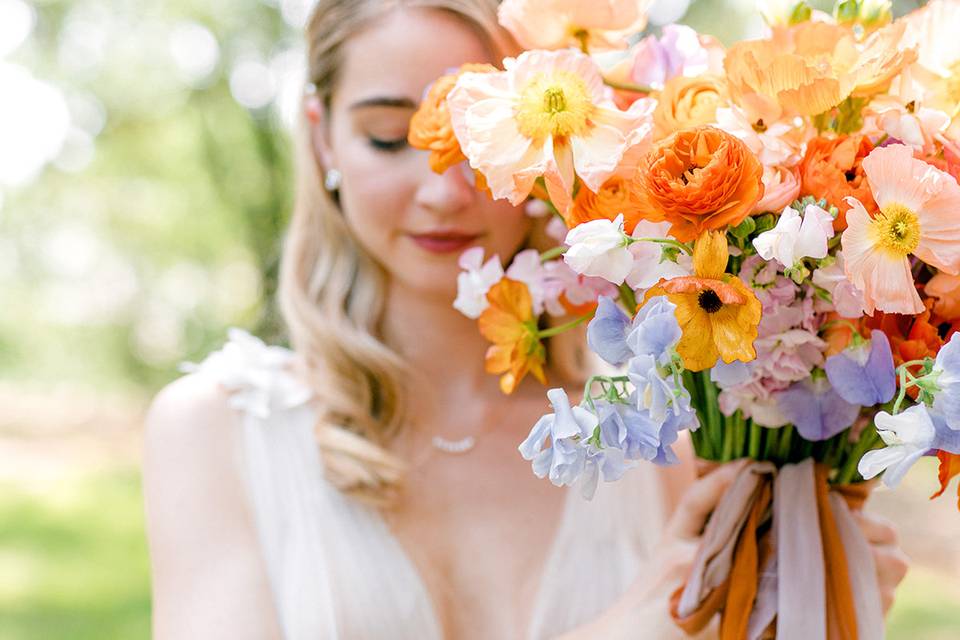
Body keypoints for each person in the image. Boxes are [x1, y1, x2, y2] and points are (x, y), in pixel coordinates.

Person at [142, 1, 909, 638]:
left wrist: (816, 599)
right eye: (388, 136)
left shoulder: (669, 437)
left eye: (482, 140)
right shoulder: (220, 432)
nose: (443, 191)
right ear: (321, 135)